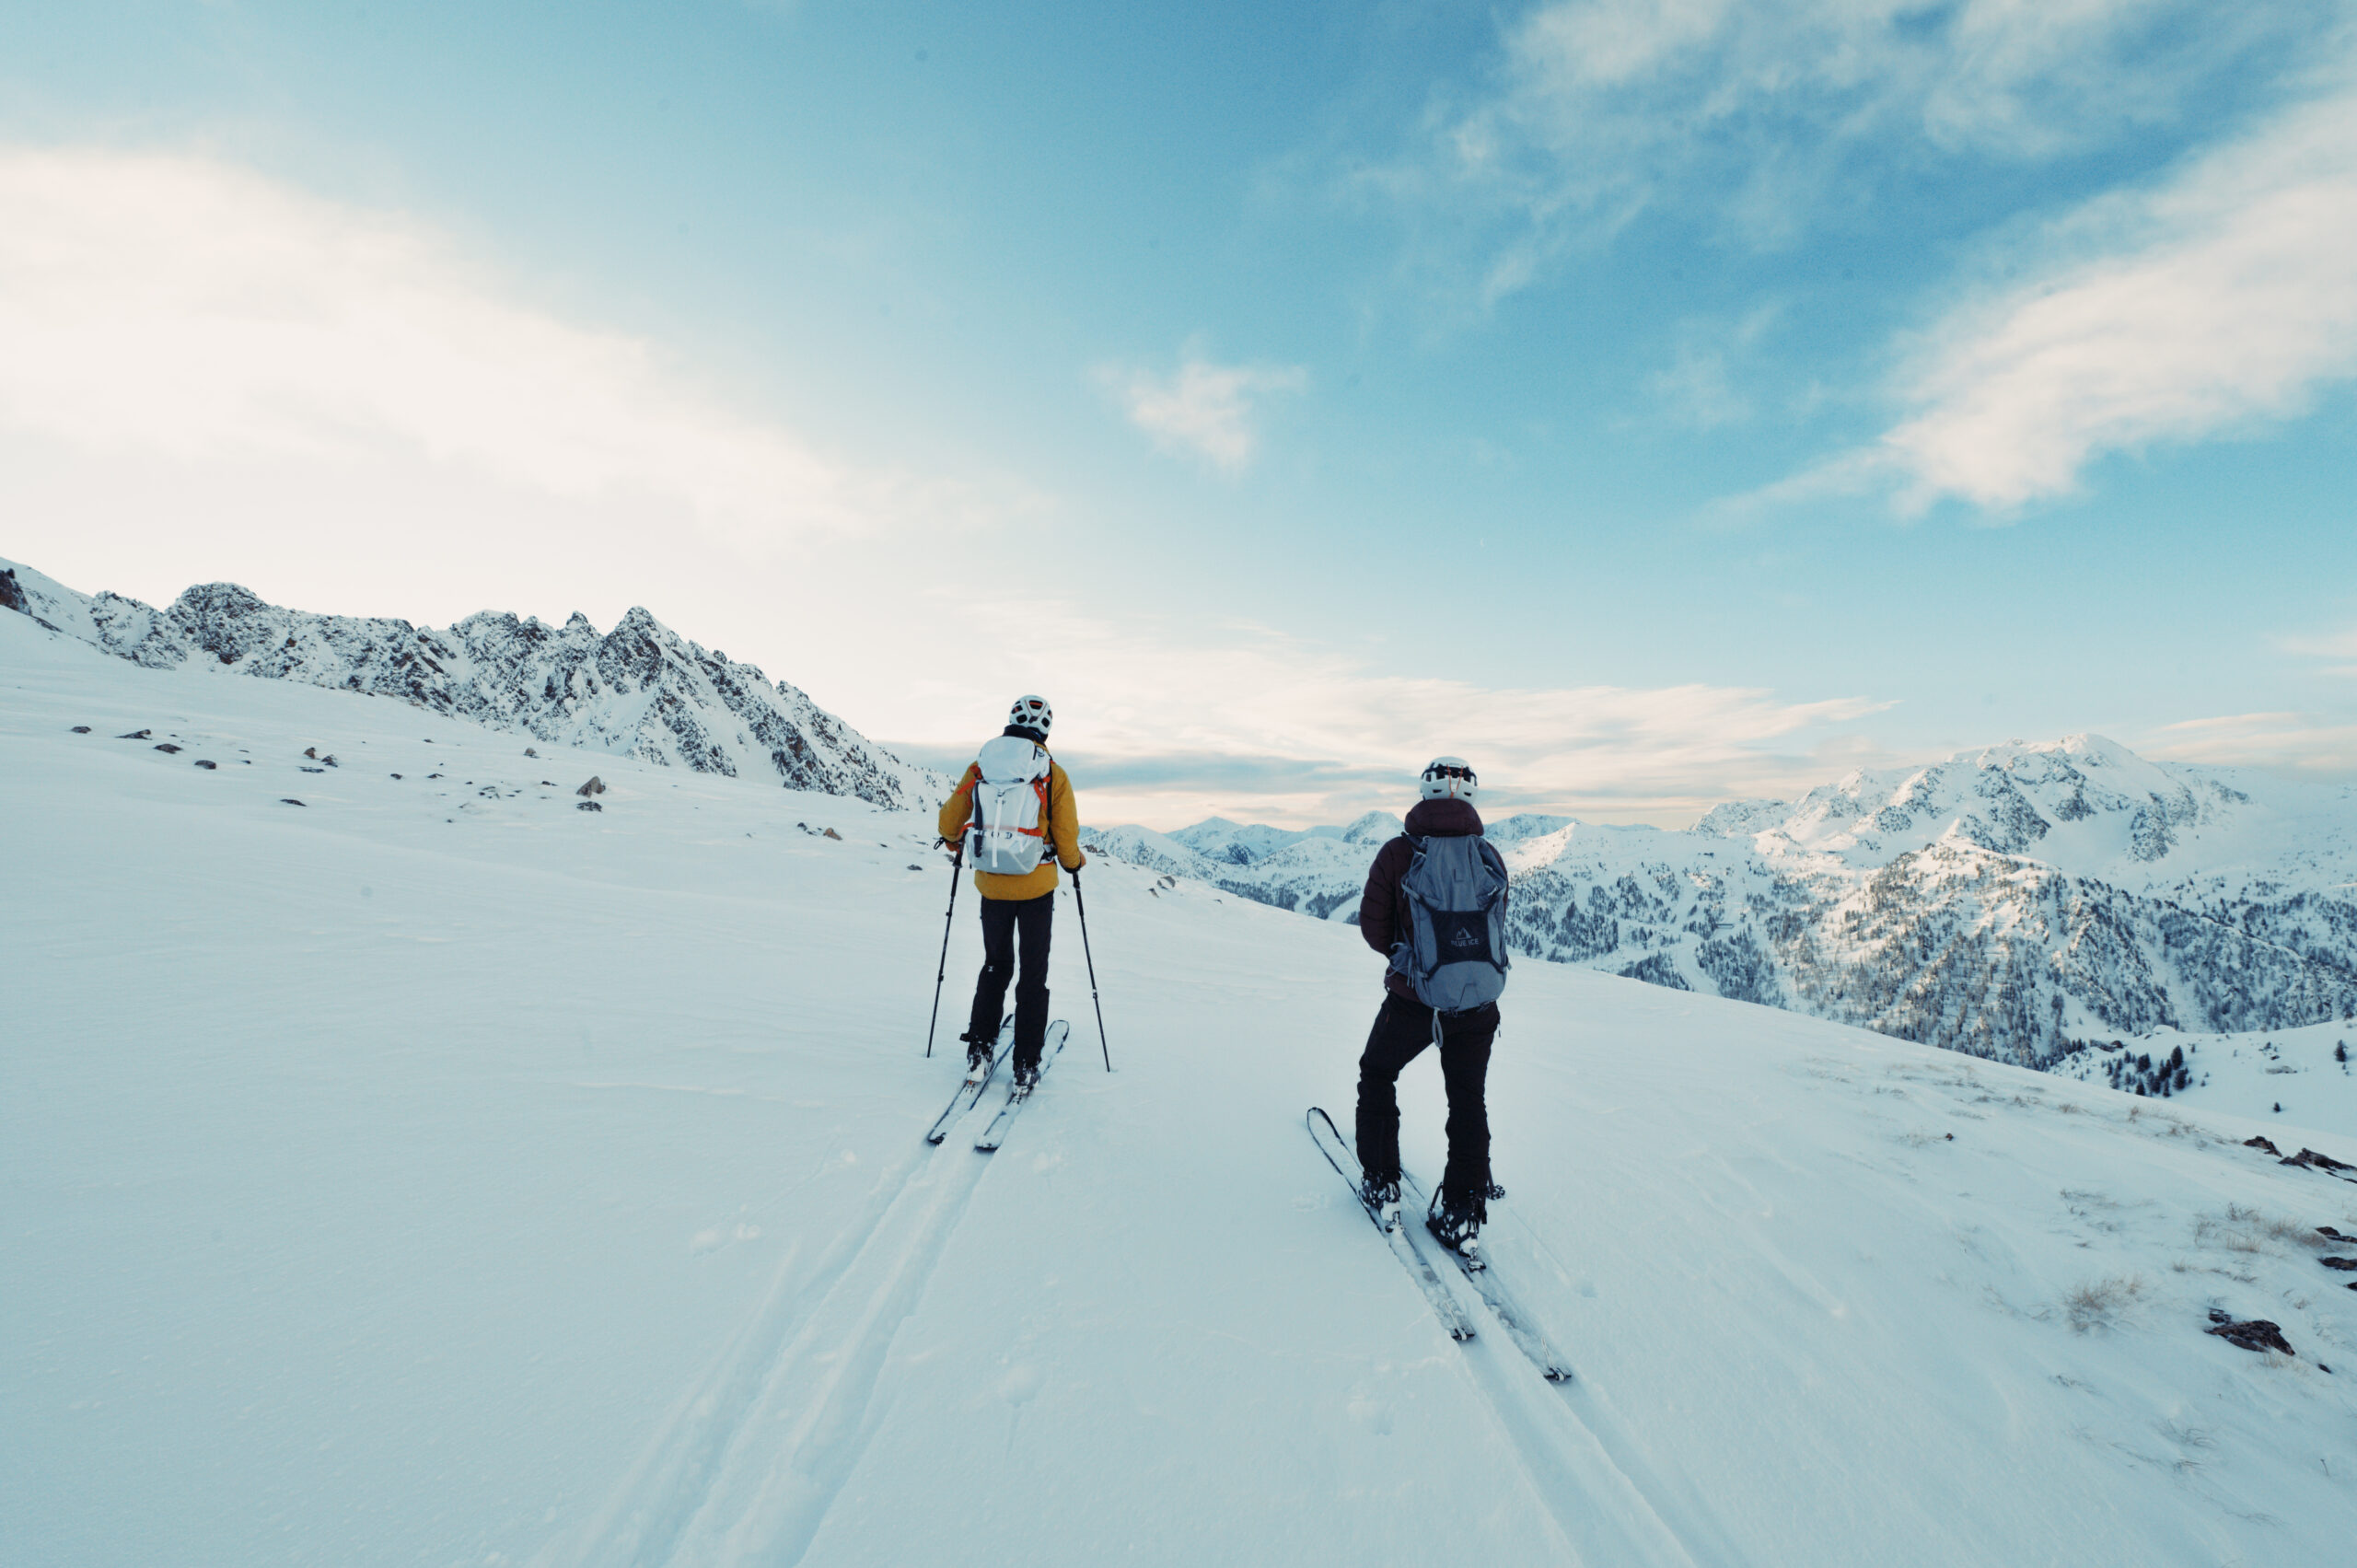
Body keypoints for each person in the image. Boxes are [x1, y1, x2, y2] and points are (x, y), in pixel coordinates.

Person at [1353, 757, 1509, 1257]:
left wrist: (1411, 961)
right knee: (1467, 1099)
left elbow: (1374, 929)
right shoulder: (1487, 854)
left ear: (1423, 795)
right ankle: (1463, 1210)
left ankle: (1382, 1183)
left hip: (1414, 1000)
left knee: (1378, 1073)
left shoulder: (1399, 853)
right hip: (1478, 1005)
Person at [937, 695, 1086, 1087]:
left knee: (995, 966)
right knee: (1033, 975)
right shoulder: (1052, 772)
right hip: (1036, 888)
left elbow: (951, 817)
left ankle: (978, 1053)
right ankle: (1025, 1064)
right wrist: (1073, 863)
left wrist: (952, 839)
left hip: (991, 884)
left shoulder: (982, 765)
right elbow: (1066, 834)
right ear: (1046, 730)